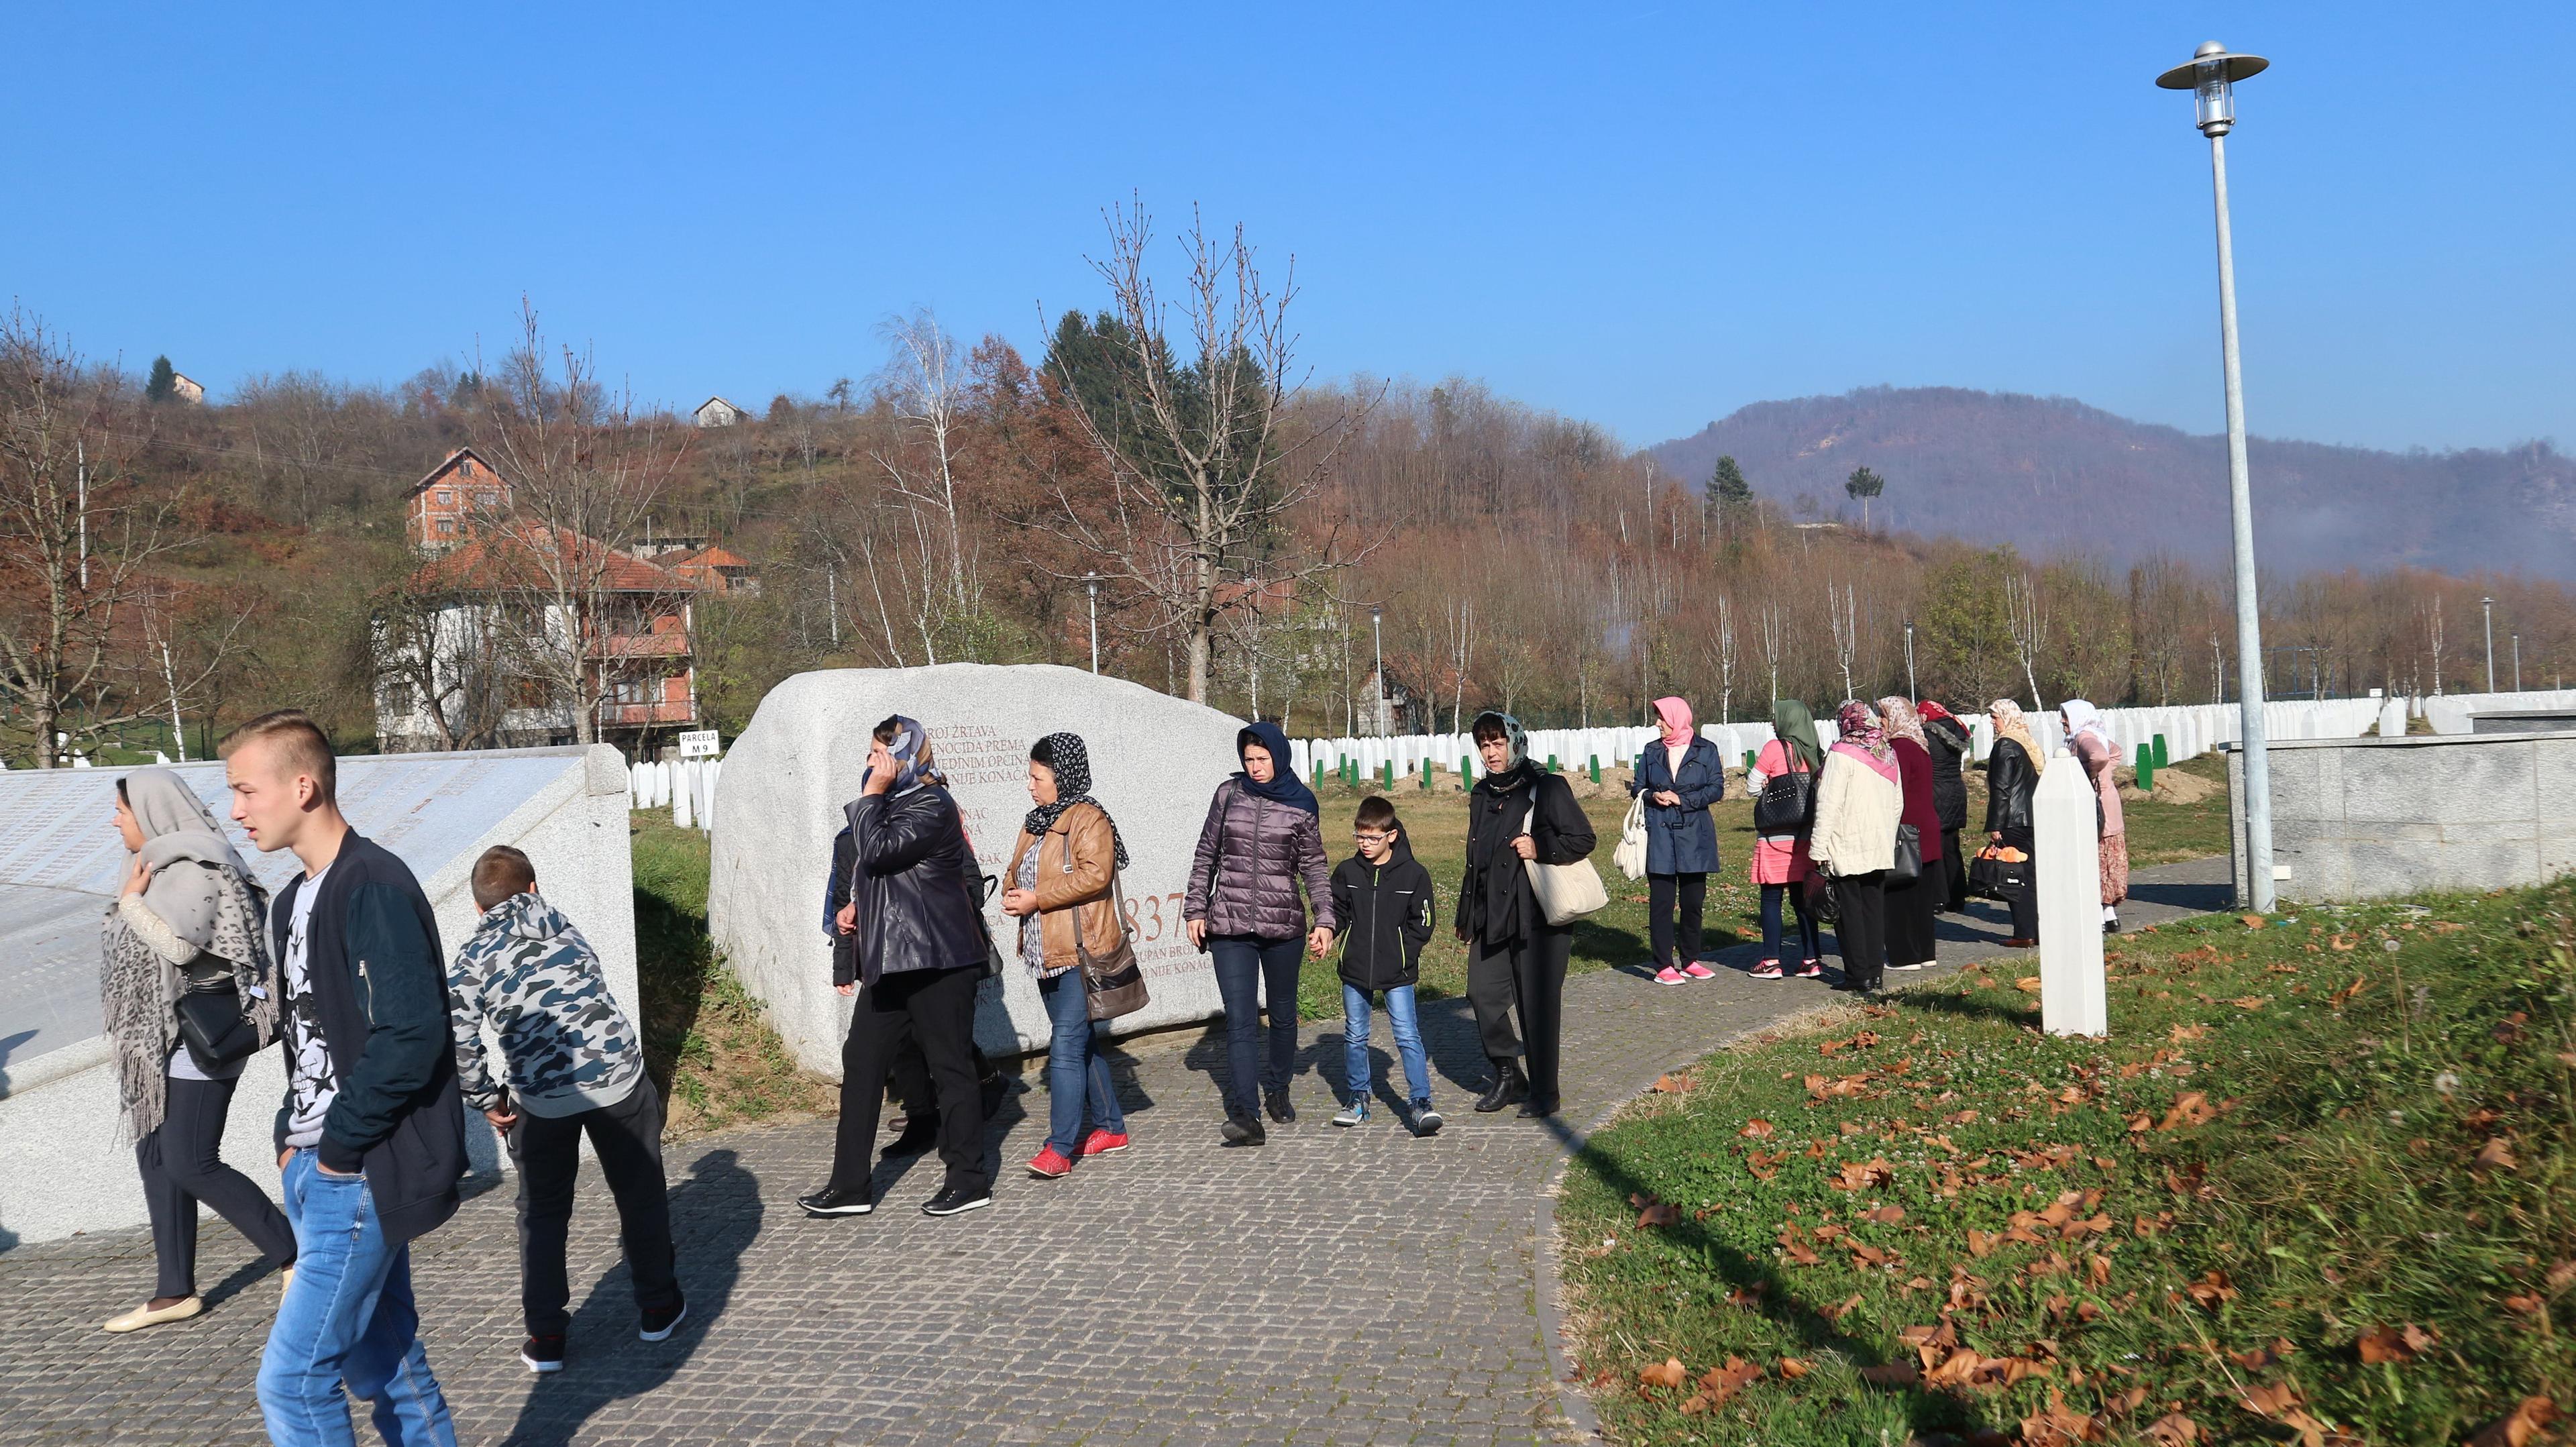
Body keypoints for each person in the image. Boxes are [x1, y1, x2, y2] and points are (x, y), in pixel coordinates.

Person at [225, 709, 464, 1447]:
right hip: (318, 1164)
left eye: (245, 791)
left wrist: (336, 1149)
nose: (236, 812)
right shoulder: (296, 900)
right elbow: (310, 1031)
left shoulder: (374, 885)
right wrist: (289, 1137)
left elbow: (412, 1034)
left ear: (302, 787)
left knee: (293, 1385)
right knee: (384, 1365)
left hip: (354, 1173)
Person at [447, 845, 681, 1375]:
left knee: (543, 1211)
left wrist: (488, 1098)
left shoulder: (471, 956)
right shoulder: (565, 926)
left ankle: (546, 1334)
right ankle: (658, 1306)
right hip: (618, 1081)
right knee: (640, 1192)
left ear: (478, 908)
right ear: (533, 888)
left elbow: (458, 1040)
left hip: (540, 1098)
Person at [97, 769, 296, 1334]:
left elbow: (182, 947)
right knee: (155, 1156)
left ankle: (296, 1256)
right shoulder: (155, 868)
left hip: (204, 1036)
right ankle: (173, 1290)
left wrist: (132, 903)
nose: (116, 821)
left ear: (152, 812)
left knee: (191, 1158)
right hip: (160, 1037)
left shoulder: (199, 868)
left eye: (122, 811)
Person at [799, 716, 994, 1220]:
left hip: (939, 959)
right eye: (870, 755)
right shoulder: (887, 806)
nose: (871, 764)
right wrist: (856, 907)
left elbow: (883, 851)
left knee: (950, 1067)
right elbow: (880, 872)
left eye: (879, 754)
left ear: (906, 754)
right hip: (893, 962)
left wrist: (871, 794)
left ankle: (968, 1178)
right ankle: (849, 1186)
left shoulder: (933, 803)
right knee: (862, 1060)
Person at [1183, 720, 1336, 1146]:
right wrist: (1196, 909)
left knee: (1284, 1013)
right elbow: (1205, 855)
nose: (1254, 767)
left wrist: (1324, 919)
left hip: (1282, 924)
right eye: (1248, 759)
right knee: (1241, 1018)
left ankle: (1279, 1088)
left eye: (1262, 759)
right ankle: (1247, 1114)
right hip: (1229, 925)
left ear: (1279, 756)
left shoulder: (1301, 804)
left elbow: (1314, 867)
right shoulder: (1227, 795)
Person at [822, 823, 1002, 1156]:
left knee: (939, 1041)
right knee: (886, 1046)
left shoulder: (932, 828)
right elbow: (842, 904)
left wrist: (927, 909)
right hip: (884, 964)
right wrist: (844, 968)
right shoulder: (850, 840)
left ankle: (980, 1096)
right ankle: (921, 1119)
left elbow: (972, 888)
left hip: (937, 958)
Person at [1002, 733, 1132, 1179]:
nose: (1030, 784)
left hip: (1081, 951)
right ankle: (1112, 1126)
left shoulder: (1089, 819)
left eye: (1038, 776)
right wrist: (1011, 891)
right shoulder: (1035, 821)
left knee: (1064, 1046)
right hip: (1043, 952)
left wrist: (1036, 898)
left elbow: (1096, 875)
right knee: (1081, 1041)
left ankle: (1060, 1147)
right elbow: (1015, 867)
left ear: (1062, 777)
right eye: (1030, 775)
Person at [1456, 711, 1596, 1118]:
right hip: (1492, 912)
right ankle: (1508, 1072)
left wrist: (1540, 846)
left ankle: (1545, 1092)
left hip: (1536, 912)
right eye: (1484, 745)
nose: (1490, 753)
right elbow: (1475, 858)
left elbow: (1582, 838)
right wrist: (1468, 912)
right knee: (1482, 995)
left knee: (1537, 1005)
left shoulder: (1546, 786)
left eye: (1497, 744)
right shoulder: (1483, 793)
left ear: (1515, 743)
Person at [1324, 795, 1440, 1136]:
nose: (1365, 844)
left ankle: (1420, 1102)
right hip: (1355, 969)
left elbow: (1424, 921)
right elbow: (1337, 913)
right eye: (1360, 837)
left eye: (1373, 838)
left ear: (1391, 836)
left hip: (1398, 971)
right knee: (1355, 1034)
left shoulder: (1414, 874)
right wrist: (1328, 933)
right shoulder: (1347, 871)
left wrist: (1406, 951)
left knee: (1407, 1035)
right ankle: (1359, 1098)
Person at [1807, 701, 1903, 994]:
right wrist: (1887, 835)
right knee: (1874, 910)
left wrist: (1818, 850)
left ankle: (1857, 974)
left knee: (1849, 913)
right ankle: (1875, 973)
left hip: (1847, 844)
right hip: (1878, 844)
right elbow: (1898, 803)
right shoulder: (1887, 751)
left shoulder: (1840, 754)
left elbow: (1828, 805)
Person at [1629, 696, 1725, 983]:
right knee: (1661, 901)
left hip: (1695, 835)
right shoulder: (1651, 751)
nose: (1658, 724)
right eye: (1658, 718)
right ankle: (1662, 964)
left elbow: (1716, 789)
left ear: (1678, 719)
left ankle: (1691, 959)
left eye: (1662, 718)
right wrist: (1650, 795)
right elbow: (1637, 787)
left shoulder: (1706, 750)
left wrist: (1682, 799)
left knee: (1694, 901)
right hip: (1659, 834)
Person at [1743, 701, 1825, 980]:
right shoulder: (1815, 750)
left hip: (1776, 836)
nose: (1773, 723)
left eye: (1775, 718)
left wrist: (1768, 786)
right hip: (1806, 836)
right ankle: (1812, 959)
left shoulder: (1775, 749)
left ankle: (1771, 961)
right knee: (1804, 901)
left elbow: (1752, 785)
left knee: (1771, 898)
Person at [1876, 697, 1944, 973]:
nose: (1880, 722)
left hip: (1906, 829)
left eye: (1883, 716)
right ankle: (1925, 951)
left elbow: (1894, 790)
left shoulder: (1899, 748)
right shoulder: (1919, 745)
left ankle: (1904, 956)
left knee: (1900, 896)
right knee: (1922, 899)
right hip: (1925, 827)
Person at [2059, 699, 2131, 934]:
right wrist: (2107, 775)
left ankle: (2096, 917)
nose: (2062, 721)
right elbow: (2115, 751)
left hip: (2094, 807)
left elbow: (2099, 756)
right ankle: (2109, 916)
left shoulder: (2083, 738)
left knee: (2095, 859)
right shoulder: (2096, 734)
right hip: (2108, 805)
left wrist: (2090, 774)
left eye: (2066, 717)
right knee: (2107, 861)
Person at [1984, 700, 2046, 947]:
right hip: (2032, 818)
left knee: (2014, 876)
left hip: (2013, 820)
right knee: (2030, 876)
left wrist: (1995, 825)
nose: (1992, 721)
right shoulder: (2026, 743)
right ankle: (2038, 929)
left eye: (1995, 716)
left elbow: (2002, 789)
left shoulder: (2005, 746)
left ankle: (2024, 932)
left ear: (2007, 717)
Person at [1917, 701, 1975, 913]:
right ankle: (1958, 894)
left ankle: (1940, 897)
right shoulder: (1954, 733)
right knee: (1952, 846)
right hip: (1956, 791)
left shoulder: (1929, 736)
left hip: (1936, 792)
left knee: (1937, 847)